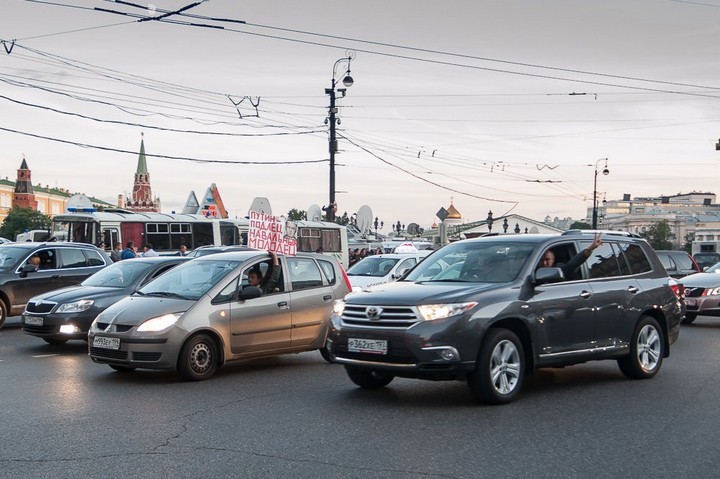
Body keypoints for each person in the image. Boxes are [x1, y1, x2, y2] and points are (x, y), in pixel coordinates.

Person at [538, 233, 603, 278]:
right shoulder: (532, 270)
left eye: (547, 259)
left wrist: (590, 248)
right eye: (541, 260)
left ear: (553, 260)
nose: (544, 263)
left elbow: (572, 264)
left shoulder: (559, 270)